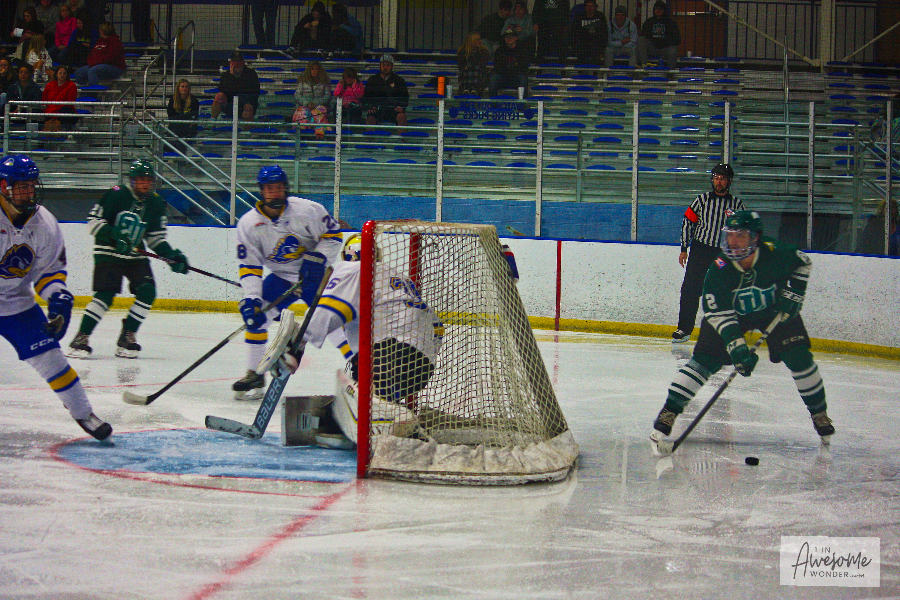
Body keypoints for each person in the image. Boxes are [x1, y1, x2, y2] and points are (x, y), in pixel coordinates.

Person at [651, 210, 836, 446]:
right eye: (730, 235)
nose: (733, 241)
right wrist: (737, 348)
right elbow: (718, 313)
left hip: (775, 310)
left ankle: (819, 413)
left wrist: (796, 293)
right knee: (704, 361)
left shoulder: (775, 252)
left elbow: (803, 262)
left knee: (799, 357)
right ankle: (669, 411)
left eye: (740, 235)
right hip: (731, 314)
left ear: (755, 238)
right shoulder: (719, 268)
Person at [257, 233, 444, 447]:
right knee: (363, 377)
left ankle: (390, 420)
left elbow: (329, 310)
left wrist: (298, 344)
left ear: (349, 255)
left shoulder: (354, 269)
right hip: (422, 368)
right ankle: (386, 407)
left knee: (347, 387)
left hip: (387, 357)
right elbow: (437, 327)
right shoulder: (399, 278)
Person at [0, 154, 112, 441]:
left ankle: (84, 413)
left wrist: (58, 298)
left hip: (15, 302)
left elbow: (48, 273)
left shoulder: (45, 223)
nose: (29, 192)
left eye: (31, 185)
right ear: (3, 187)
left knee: (50, 357)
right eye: (22, 186)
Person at [231, 164, 343, 400]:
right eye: (270, 188)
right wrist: (251, 298)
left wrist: (318, 258)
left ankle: (360, 365)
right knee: (256, 317)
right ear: (262, 191)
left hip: (315, 277)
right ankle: (255, 374)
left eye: (279, 188)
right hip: (281, 278)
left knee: (333, 321)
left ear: (286, 189)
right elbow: (250, 267)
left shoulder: (307, 210)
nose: (275, 193)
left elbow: (333, 235)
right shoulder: (248, 224)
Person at [67, 159, 190, 359]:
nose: (145, 183)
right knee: (105, 295)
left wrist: (172, 256)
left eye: (148, 180)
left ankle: (127, 335)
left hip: (135, 255)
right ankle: (81, 337)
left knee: (148, 291)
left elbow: (155, 239)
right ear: (132, 180)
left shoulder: (155, 203)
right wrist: (113, 235)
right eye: (141, 179)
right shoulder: (116, 194)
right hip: (108, 252)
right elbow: (93, 221)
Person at [672, 163, 743, 342]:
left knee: (722, 292)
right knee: (690, 289)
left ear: (729, 182)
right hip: (700, 251)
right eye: (716, 178)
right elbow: (688, 222)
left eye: (723, 179)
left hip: (722, 255)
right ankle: (684, 329)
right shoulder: (702, 200)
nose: (719, 182)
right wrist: (684, 248)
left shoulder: (736, 204)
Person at [210, 50, 260, 122]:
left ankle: (247, 128)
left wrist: (249, 103)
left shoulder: (251, 73)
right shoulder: (226, 75)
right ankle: (212, 122)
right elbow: (222, 89)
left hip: (246, 103)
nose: (236, 64)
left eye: (238, 61)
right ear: (231, 62)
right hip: (230, 104)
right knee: (219, 96)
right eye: (234, 61)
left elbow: (255, 91)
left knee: (248, 108)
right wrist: (231, 76)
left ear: (243, 62)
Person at [363, 54, 408, 130]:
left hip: (393, 109)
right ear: (380, 65)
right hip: (377, 109)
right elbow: (366, 96)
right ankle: (370, 137)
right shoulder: (372, 80)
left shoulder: (399, 80)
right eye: (383, 65)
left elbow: (405, 97)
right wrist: (370, 106)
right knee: (370, 119)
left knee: (402, 117)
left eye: (388, 65)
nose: (385, 67)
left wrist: (401, 107)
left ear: (392, 66)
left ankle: (402, 137)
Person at [72, 21, 125, 86]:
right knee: (78, 73)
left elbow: (110, 58)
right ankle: (84, 90)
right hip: (96, 64)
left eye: (100, 29)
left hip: (114, 67)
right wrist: (91, 62)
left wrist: (96, 62)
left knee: (93, 71)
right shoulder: (99, 41)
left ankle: (93, 91)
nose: (99, 31)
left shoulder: (115, 42)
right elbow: (91, 54)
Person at [293, 60, 331, 139]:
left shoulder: (324, 82)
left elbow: (327, 97)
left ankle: (319, 135)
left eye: (316, 69)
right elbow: (297, 95)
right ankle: (302, 135)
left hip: (319, 106)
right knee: (302, 112)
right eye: (312, 69)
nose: (314, 71)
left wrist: (314, 103)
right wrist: (307, 103)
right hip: (305, 105)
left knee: (319, 112)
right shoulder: (303, 81)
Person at [636, 0, 680, 69]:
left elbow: (677, 40)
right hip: (652, 49)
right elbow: (643, 35)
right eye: (656, 9)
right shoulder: (649, 22)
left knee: (673, 49)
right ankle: (644, 65)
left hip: (665, 49)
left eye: (660, 9)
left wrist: (665, 43)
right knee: (641, 40)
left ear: (664, 10)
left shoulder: (671, 23)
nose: (658, 11)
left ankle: (670, 71)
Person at [488, 27, 530, 98]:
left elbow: (524, 67)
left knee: (523, 79)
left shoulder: (522, 50)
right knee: (493, 79)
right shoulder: (499, 51)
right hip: (503, 76)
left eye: (511, 36)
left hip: (516, 77)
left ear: (516, 38)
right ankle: (493, 103)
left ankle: (523, 102)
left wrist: (511, 70)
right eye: (507, 37)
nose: (509, 38)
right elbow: (497, 67)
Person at [569, 0, 607, 65]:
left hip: (596, 45)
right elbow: (573, 33)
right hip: (582, 45)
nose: (590, 8)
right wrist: (575, 47)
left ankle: (595, 71)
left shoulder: (601, 16)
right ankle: (581, 70)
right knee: (581, 53)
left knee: (596, 54)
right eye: (588, 6)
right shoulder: (578, 17)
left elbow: (604, 34)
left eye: (592, 6)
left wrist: (602, 49)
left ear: (595, 7)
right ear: (585, 7)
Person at [42, 63, 78, 131]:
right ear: (56, 74)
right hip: (49, 111)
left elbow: (70, 103)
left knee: (65, 110)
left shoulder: (72, 86)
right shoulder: (49, 85)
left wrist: (54, 111)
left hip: (64, 112)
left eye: (64, 73)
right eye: (60, 73)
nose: (62, 75)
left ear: (67, 75)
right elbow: (44, 100)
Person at [165, 78, 198, 150]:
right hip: (175, 128)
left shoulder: (194, 101)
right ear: (178, 88)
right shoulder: (172, 100)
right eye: (182, 86)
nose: (184, 88)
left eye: (186, 86)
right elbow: (171, 116)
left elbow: (194, 116)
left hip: (188, 129)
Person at [456, 32, 490, 97]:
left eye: (480, 39)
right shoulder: (462, 52)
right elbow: (461, 67)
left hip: (479, 75)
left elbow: (482, 64)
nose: (480, 41)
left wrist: (471, 64)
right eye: (478, 40)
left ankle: (472, 89)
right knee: (468, 70)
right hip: (467, 74)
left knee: (476, 68)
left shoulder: (484, 51)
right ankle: (470, 89)